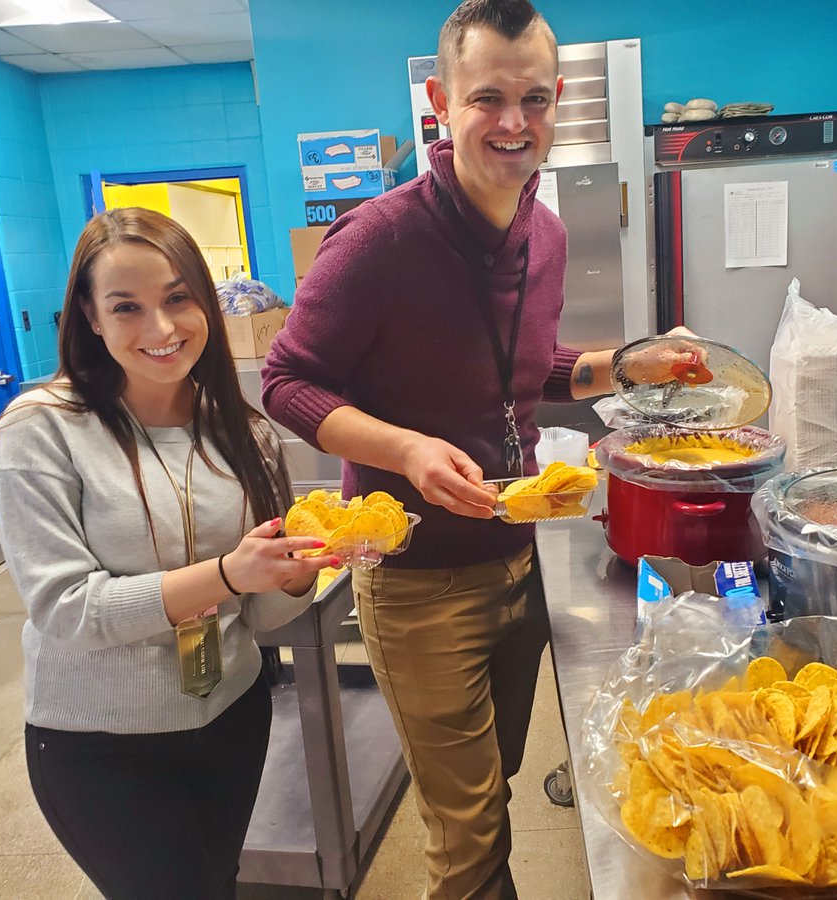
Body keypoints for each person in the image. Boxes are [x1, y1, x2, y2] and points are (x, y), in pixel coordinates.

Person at [262, 2, 693, 896]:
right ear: (440, 101)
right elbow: (287, 382)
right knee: (468, 839)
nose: (512, 122)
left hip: (517, 560)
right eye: (487, 97)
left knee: (491, 786)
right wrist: (410, 450)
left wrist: (627, 364)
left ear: (559, 102)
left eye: (534, 99)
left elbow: (524, 372)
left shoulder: (547, 232)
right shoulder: (377, 240)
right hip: (417, 582)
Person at [0, 207, 337, 900]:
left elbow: (261, 619)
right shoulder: (41, 431)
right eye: (127, 307)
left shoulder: (244, 433)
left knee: (219, 884)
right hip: (100, 742)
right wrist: (223, 574)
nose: (162, 329)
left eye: (178, 298)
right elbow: (65, 609)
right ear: (89, 316)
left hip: (231, 715)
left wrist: (294, 578)